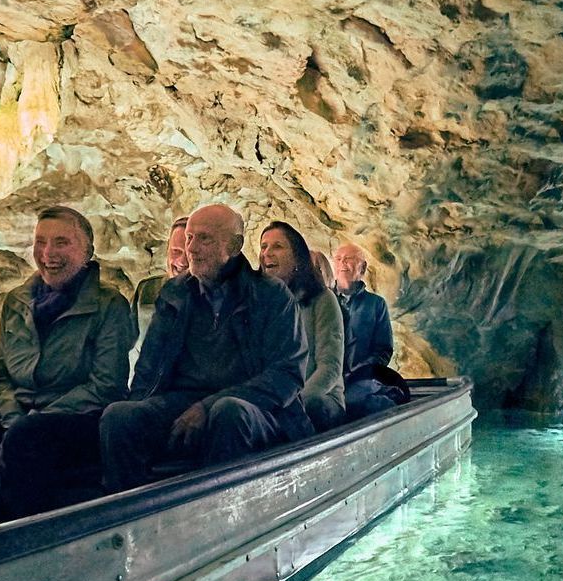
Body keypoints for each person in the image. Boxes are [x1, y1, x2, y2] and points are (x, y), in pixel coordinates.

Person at [0, 207, 133, 517]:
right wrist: (12, 416)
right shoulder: (18, 301)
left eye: (61, 242)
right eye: (41, 241)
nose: (48, 252)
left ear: (87, 251)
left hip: (79, 422)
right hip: (20, 419)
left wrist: (37, 418)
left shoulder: (108, 305)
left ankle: (20, 536)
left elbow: (106, 386)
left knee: (29, 439)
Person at [100, 204, 309, 490]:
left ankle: (219, 516)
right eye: (189, 238)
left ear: (234, 246)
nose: (192, 249)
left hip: (256, 406)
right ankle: (127, 517)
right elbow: (150, 365)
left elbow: (286, 375)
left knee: (228, 412)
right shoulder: (175, 294)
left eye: (205, 239)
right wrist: (140, 407)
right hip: (183, 400)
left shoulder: (271, 296)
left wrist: (207, 407)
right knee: (119, 417)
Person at [260, 221, 345, 429]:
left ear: (297, 256)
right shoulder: (259, 303)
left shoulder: (322, 300)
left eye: (277, 246)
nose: (267, 252)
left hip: (318, 397)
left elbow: (330, 366)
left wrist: (295, 402)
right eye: (263, 247)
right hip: (276, 399)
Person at [333, 240, 401, 417]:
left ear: (362, 268)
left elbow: (383, 349)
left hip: (361, 380)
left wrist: (357, 373)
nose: (342, 263)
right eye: (338, 258)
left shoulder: (376, 304)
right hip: (328, 382)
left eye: (349, 259)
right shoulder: (324, 302)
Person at [129, 215, 188, 373]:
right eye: (176, 251)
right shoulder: (147, 289)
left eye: (190, 253)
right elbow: (128, 343)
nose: (182, 261)